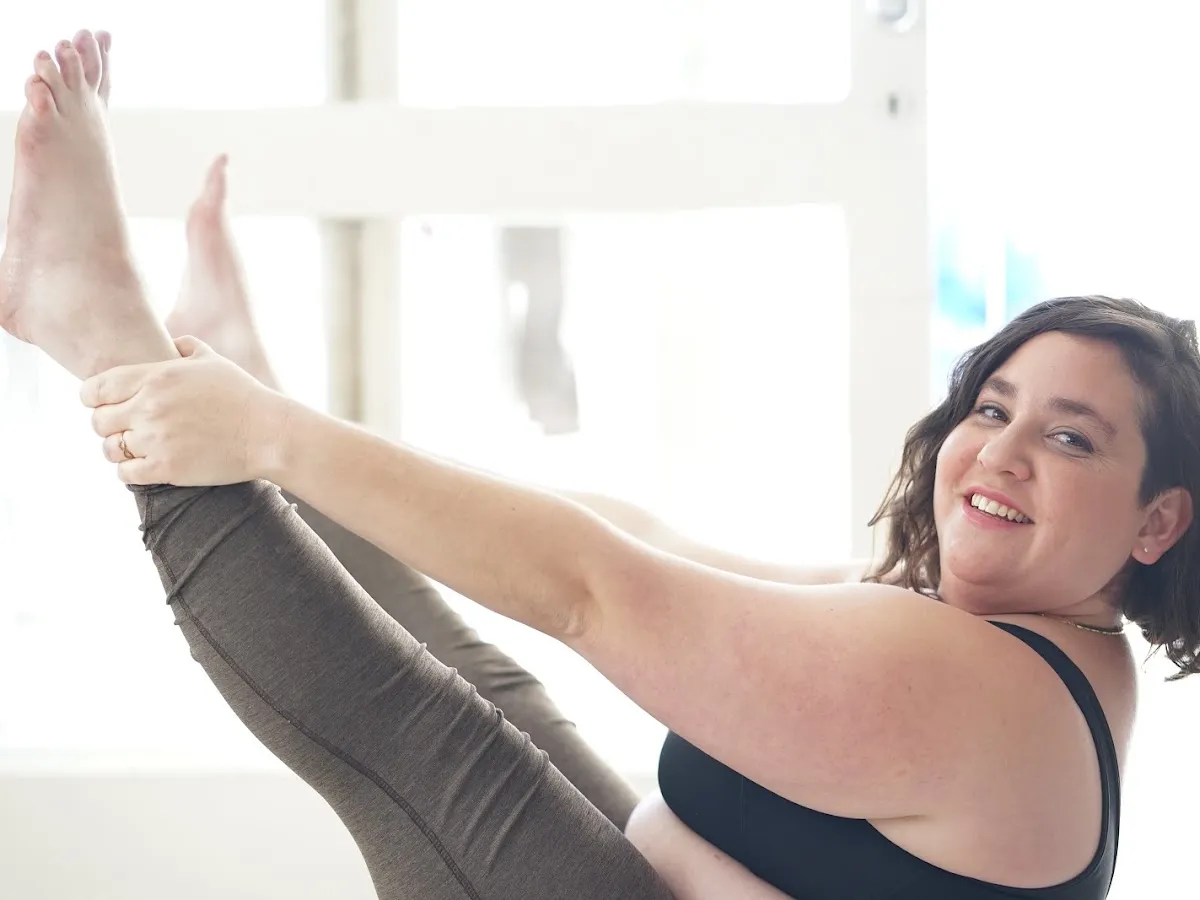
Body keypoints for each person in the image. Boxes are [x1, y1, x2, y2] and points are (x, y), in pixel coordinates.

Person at [5, 30, 1199, 900]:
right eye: (991, 406)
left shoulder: (976, 687)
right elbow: (647, 547)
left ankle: (103, 331)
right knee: (492, 690)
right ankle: (154, 361)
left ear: (1159, 521)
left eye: (1070, 437)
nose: (1000, 452)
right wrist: (286, 422)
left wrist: (265, 435)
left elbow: (592, 589)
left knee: (419, 730)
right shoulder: (1031, 641)